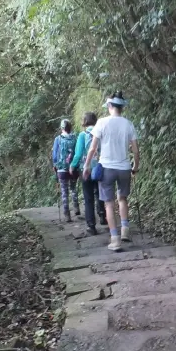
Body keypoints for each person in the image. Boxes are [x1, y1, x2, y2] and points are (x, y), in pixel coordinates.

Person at [83, 91, 139, 251]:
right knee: (122, 199)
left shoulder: (101, 123)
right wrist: (135, 167)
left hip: (106, 168)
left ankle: (115, 239)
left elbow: (93, 148)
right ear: (122, 107)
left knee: (108, 204)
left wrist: (87, 166)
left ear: (109, 106)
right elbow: (135, 150)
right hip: (124, 168)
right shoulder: (128, 124)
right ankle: (125, 230)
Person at [70, 112, 107, 235]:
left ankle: (91, 226)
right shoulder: (100, 133)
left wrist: (73, 165)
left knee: (88, 197)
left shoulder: (82, 135)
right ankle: (102, 216)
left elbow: (78, 153)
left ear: (85, 121)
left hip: (85, 169)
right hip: (100, 167)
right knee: (100, 193)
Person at [51, 119, 80, 221]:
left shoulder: (58, 139)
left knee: (64, 191)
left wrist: (55, 165)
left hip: (62, 169)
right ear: (70, 127)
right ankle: (76, 207)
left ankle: (67, 214)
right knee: (73, 188)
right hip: (73, 168)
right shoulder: (75, 138)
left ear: (61, 128)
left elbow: (54, 154)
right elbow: (77, 153)